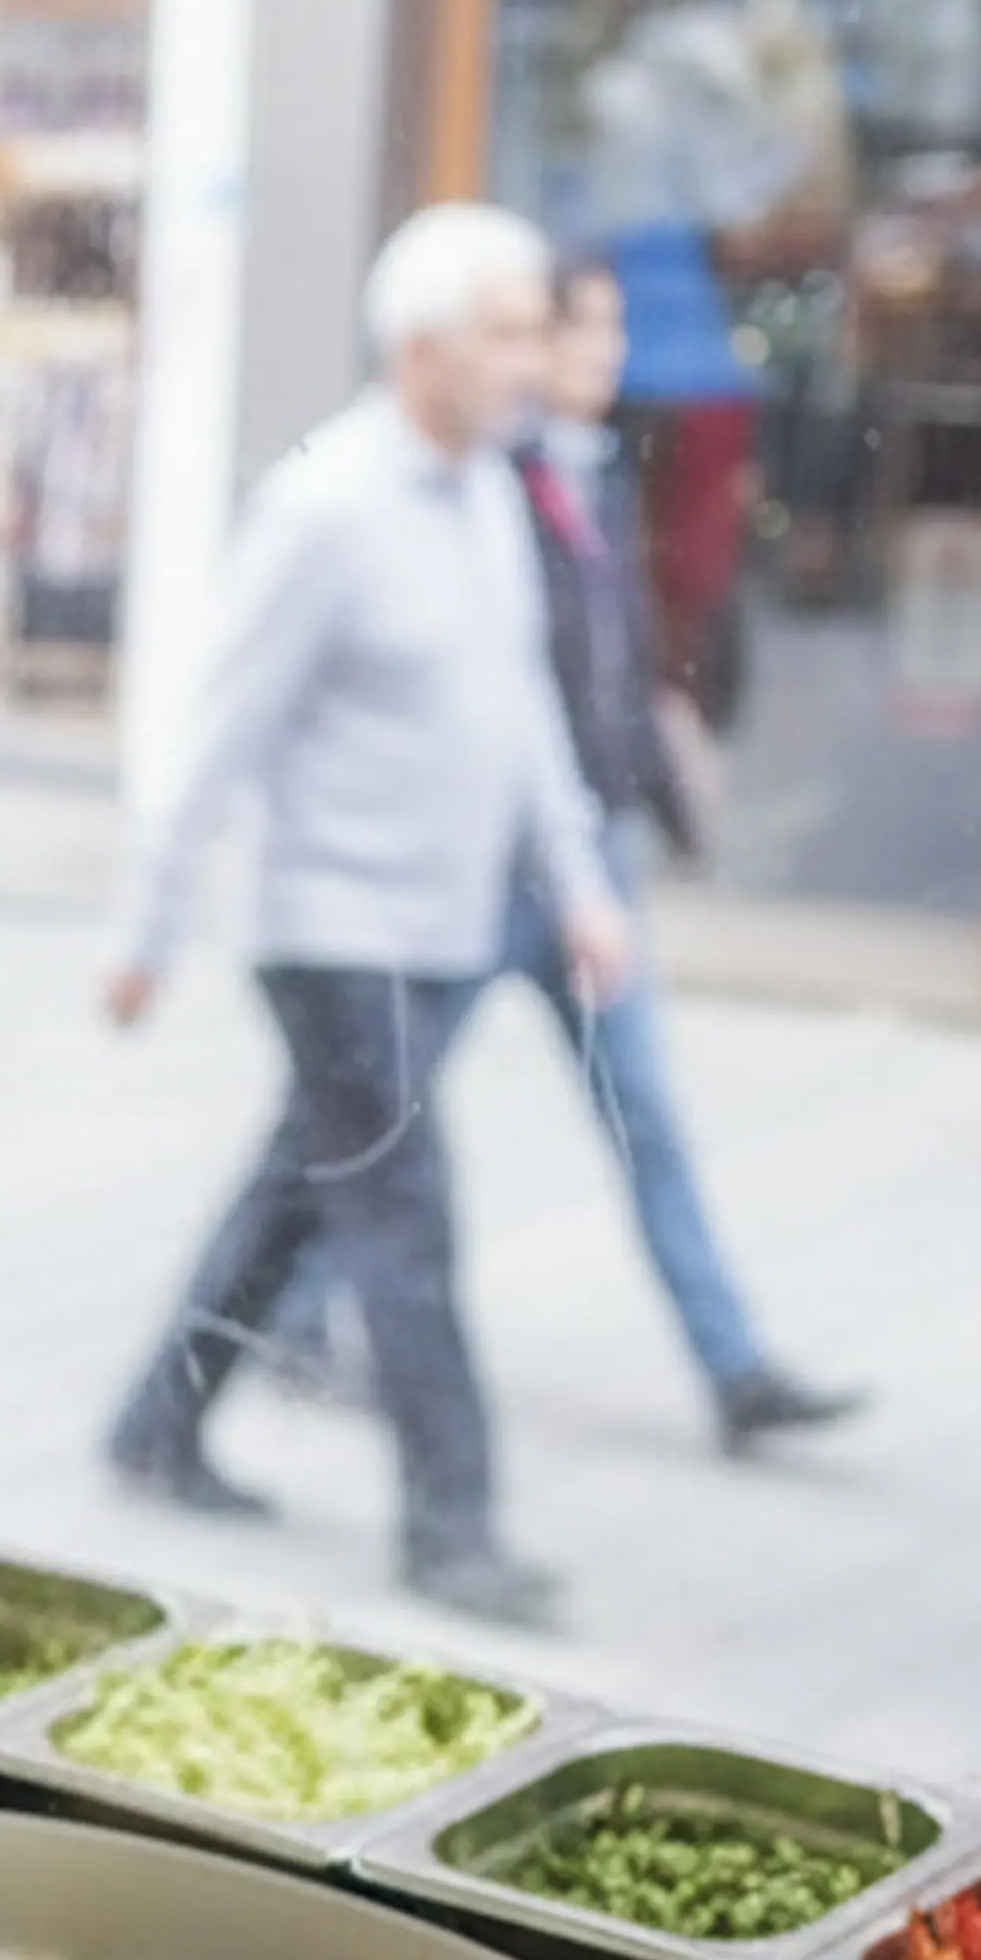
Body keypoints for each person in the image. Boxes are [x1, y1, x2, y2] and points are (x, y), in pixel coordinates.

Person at [105, 202, 632, 1632]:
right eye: (508, 330)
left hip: (439, 928)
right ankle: (451, 1527)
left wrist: (578, 884)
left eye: (538, 328)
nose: (532, 359)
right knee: (401, 1219)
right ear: (419, 349)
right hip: (331, 935)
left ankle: (155, 1424)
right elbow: (216, 730)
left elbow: (523, 710)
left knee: (296, 1191)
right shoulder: (326, 507)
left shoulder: (483, 497)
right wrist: (148, 928)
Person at [254, 246, 864, 1459]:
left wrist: (641, 788)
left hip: (584, 860)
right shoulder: (481, 483)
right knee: (371, 1122)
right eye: (571, 335)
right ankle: (288, 1317)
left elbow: (596, 666)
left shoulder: (589, 477)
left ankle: (734, 1365)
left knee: (639, 1113)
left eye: (598, 336)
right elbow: (504, 691)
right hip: (480, 877)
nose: (597, 358)